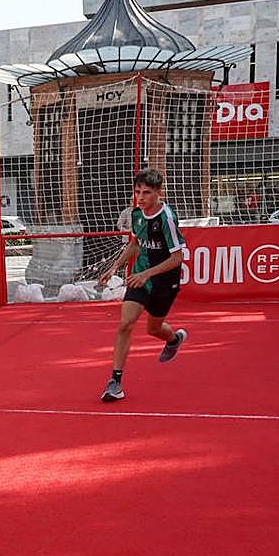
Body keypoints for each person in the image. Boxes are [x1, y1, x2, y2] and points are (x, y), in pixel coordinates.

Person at [96, 168, 188, 402]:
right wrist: (114, 268)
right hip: (140, 278)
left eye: (146, 193)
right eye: (138, 192)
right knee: (125, 324)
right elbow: (135, 244)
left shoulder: (166, 218)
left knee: (153, 329)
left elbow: (177, 258)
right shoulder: (136, 215)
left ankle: (174, 339)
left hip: (164, 280)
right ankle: (115, 381)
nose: (141, 197)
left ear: (159, 193)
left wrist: (148, 274)